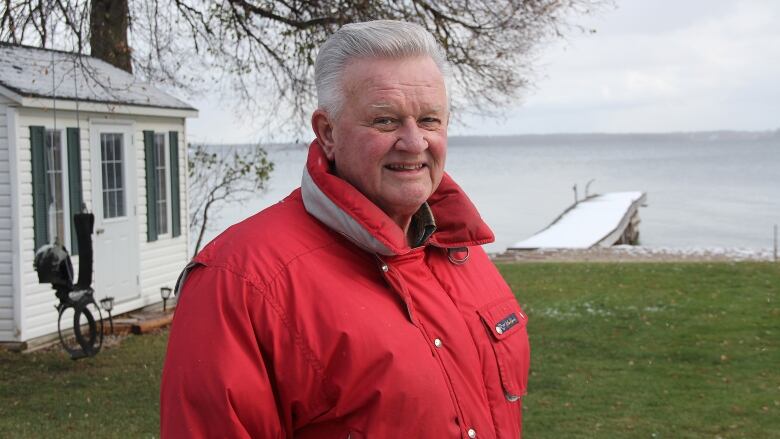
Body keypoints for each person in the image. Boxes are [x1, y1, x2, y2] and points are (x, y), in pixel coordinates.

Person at [161, 20, 530, 439]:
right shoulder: (241, 281)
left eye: (429, 120)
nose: (414, 143)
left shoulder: (460, 249)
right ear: (328, 132)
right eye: (386, 121)